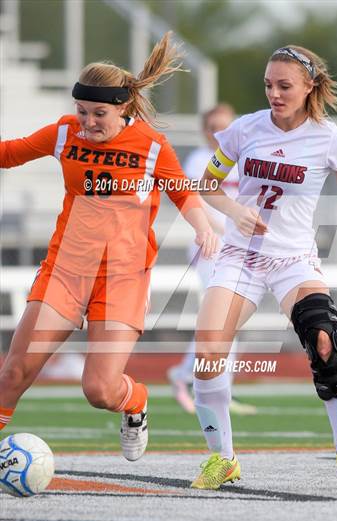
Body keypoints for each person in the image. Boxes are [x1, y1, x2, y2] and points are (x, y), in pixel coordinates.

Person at [190, 45, 337, 490]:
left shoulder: (329, 137)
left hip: (294, 259)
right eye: (268, 85)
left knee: (323, 339)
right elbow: (206, 185)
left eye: (284, 85)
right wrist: (234, 209)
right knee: (208, 354)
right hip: (241, 257)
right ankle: (223, 459)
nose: (274, 93)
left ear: (310, 87)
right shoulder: (244, 130)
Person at [0, 32, 218, 462]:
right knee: (13, 373)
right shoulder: (64, 134)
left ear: (124, 108)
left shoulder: (152, 146)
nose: (87, 122)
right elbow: (10, 153)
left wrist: (204, 227)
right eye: (81, 111)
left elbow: (183, 193)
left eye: (98, 113)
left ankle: (135, 402)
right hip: (65, 270)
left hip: (122, 278)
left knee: (99, 389)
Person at [167, 103, 256, 416]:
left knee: (231, 321)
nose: (218, 134)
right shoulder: (198, 160)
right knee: (220, 319)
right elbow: (199, 203)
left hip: (240, 245)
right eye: (212, 127)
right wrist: (231, 229)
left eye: (224, 127)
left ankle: (200, 380)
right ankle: (197, 380)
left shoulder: (242, 158)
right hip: (214, 246)